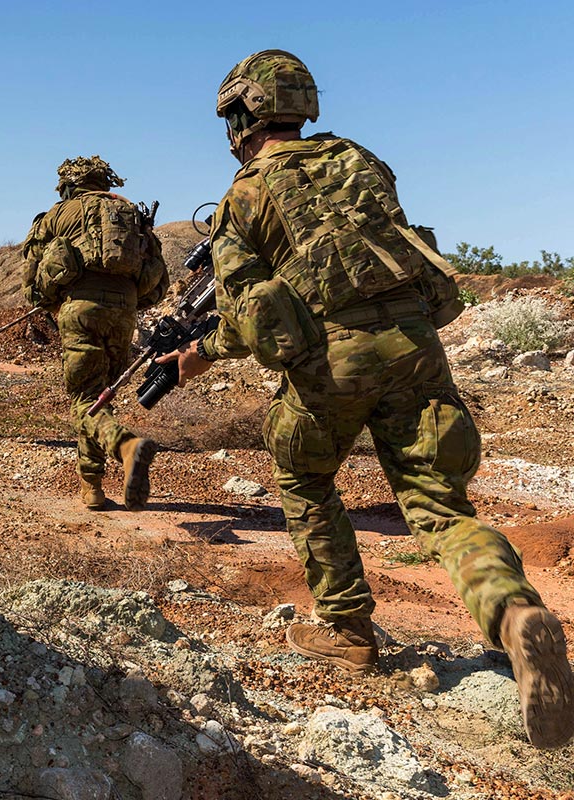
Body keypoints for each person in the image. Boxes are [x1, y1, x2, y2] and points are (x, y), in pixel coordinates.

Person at [159, 49, 573, 748]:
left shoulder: (245, 196)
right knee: (441, 507)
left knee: (305, 475)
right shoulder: (361, 161)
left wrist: (199, 354)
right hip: (414, 346)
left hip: (334, 361)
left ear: (241, 116)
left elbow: (255, 314)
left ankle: (349, 631)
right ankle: (512, 614)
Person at [22, 156, 169, 510]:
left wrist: (48, 301)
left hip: (80, 308)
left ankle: (124, 445)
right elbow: (156, 278)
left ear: (69, 185)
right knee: (100, 395)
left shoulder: (59, 215)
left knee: (84, 398)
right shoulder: (132, 216)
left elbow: (32, 274)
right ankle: (92, 487)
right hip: (125, 312)